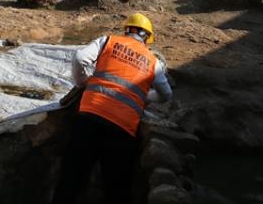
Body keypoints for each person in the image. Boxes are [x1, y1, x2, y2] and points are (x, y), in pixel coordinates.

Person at [52, 13, 173, 204]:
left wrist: (83, 82)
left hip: (90, 117)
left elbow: (80, 57)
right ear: (147, 38)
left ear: (126, 30)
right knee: (117, 189)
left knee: (70, 179)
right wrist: (143, 98)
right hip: (123, 129)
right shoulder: (153, 62)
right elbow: (166, 94)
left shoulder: (108, 41)